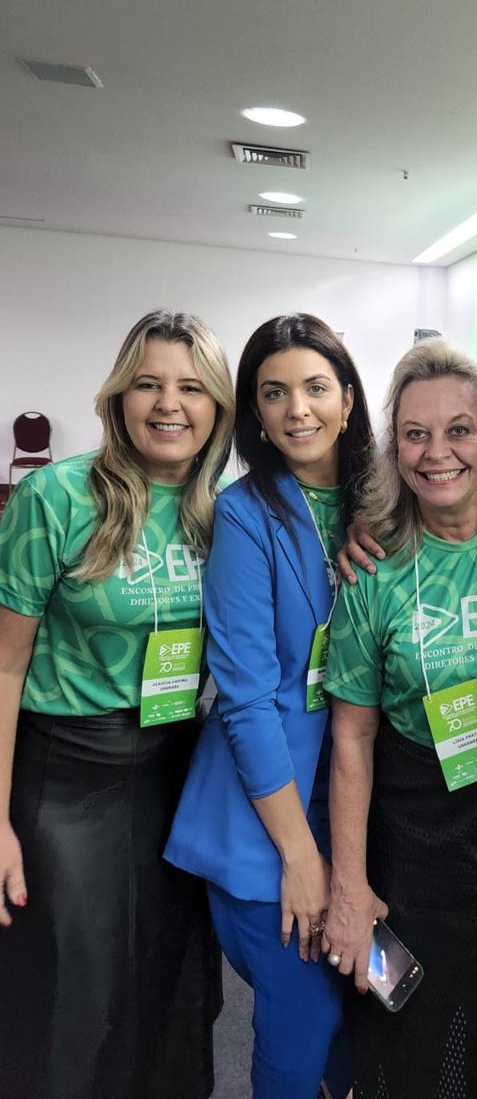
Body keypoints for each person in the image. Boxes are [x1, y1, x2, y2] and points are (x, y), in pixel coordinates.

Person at [0, 310, 233, 1099]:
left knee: (170, 990)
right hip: (66, 780)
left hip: (175, 774)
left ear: (218, 407)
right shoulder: (54, 497)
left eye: (192, 387)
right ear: (119, 396)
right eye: (149, 383)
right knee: (73, 995)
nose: (170, 405)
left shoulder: (225, 512)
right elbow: (3, 668)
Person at [323, 338, 477, 1099]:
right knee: (408, 1031)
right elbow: (351, 735)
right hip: (412, 833)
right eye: (415, 433)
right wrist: (349, 889)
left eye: (459, 429)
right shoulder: (372, 568)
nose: (437, 451)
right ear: (394, 448)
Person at [165, 313, 374, 1099]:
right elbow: (246, 701)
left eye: (316, 387)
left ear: (348, 400)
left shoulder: (382, 501)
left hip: (360, 801)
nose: (298, 410)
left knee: (361, 1020)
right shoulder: (247, 515)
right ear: (253, 411)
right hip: (270, 816)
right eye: (274, 392)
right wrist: (302, 859)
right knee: (297, 1027)